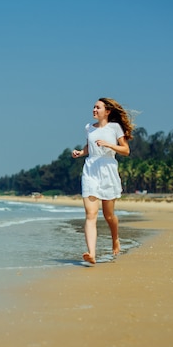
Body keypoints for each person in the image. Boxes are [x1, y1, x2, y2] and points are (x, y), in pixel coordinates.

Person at [72, 97, 134, 265]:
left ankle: (115, 239)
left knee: (108, 215)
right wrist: (81, 152)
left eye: (97, 107)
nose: (94, 110)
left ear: (107, 112)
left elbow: (126, 150)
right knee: (90, 214)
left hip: (108, 170)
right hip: (90, 170)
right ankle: (91, 253)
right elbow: (89, 146)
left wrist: (109, 145)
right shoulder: (88, 128)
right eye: (93, 107)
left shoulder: (115, 128)